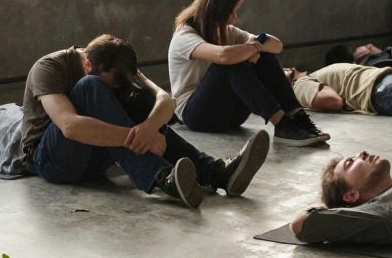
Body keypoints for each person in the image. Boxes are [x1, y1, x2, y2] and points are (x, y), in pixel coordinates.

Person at [23, 34, 269, 208]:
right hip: (52, 160)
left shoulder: (117, 61)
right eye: (109, 81)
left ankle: (216, 173)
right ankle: (162, 177)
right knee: (91, 86)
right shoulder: (48, 68)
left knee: (138, 97)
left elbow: (165, 100)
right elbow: (70, 126)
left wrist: (149, 129)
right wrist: (143, 140)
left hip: (96, 157)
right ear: (88, 64)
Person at [168, 0, 328, 146]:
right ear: (217, 10)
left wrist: (256, 47)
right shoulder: (184, 36)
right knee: (229, 65)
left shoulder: (227, 32)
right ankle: (281, 124)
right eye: (231, 12)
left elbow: (276, 46)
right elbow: (223, 56)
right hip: (197, 115)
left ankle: (297, 115)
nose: (235, 17)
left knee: (263, 57)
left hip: (231, 116)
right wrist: (254, 47)